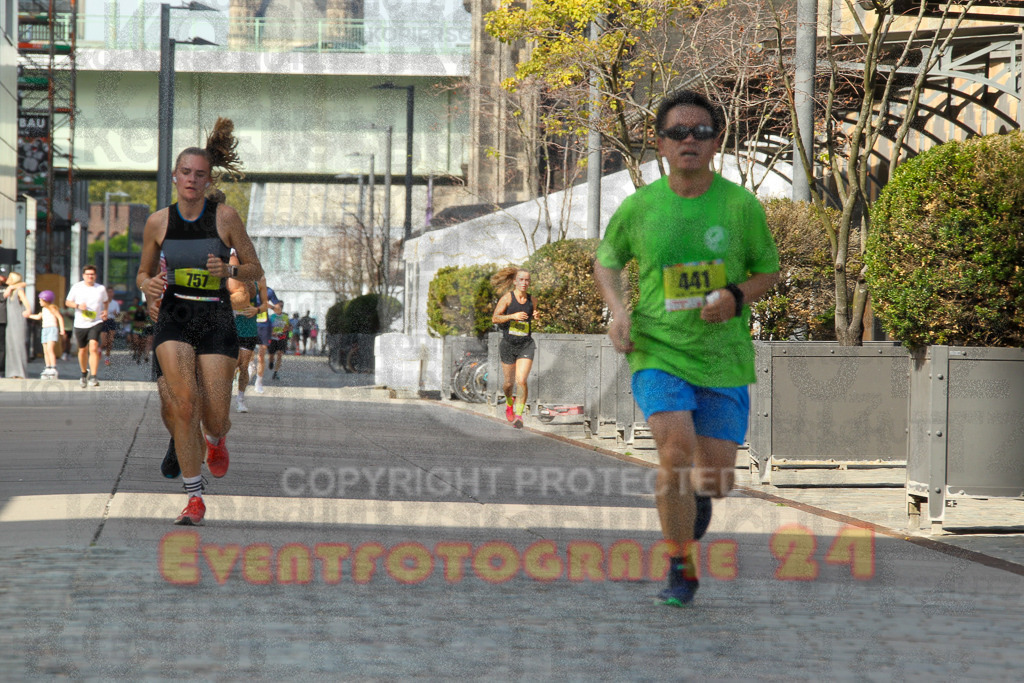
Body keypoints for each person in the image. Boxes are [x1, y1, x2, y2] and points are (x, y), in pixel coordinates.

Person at [594, 90, 780, 607]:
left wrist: (737, 295)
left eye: (700, 132)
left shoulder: (740, 207)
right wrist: (619, 310)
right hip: (658, 349)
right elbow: (607, 261)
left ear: (717, 143)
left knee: (716, 479)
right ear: (660, 145)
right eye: (678, 133)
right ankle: (680, 561)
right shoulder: (640, 207)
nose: (689, 141)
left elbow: (768, 270)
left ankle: (694, 502)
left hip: (722, 356)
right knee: (673, 451)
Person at [136, 117, 263, 526]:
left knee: (213, 414)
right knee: (182, 404)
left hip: (215, 317)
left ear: (209, 180)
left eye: (200, 174)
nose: (192, 180)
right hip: (174, 314)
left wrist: (227, 273)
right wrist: (149, 286)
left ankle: (217, 439)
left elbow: (254, 269)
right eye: (185, 172)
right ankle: (194, 498)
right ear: (175, 176)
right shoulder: (158, 222)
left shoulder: (225, 217)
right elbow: (142, 273)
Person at [491, 267, 540, 429]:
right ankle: (509, 403)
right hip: (508, 345)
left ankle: (519, 415)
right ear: (515, 282)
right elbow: (495, 318)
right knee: (508, 384)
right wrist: (513, 316)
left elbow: (535, 314)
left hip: (526, 344)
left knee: (521, 380)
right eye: (521, 280)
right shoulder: (507, 298)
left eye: (527, 280)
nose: (524, 283)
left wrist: (537, 316)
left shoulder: (533, 300)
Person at [227, 249, 266, 413]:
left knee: (244, 366)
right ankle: (223, 398)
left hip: (249, 326)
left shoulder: (260, 279)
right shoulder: (230, 275)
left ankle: (240, 400)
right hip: (232, 325)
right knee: (231, 365)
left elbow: (265, 304)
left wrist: (257, 310)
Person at [65, 264, 110, 387]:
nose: (90, 276)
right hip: (80, 322)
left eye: (92, 274)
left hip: (96, 321)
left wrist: (105, 311)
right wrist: (78, 306)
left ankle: (94, 376)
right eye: (88, 274)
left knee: (94, 347)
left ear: (95, 276)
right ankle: (84, 373)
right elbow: (67, 302)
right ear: (83, 276)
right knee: (82, 350)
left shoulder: (100, 288)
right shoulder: (77, 287)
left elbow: (106, 301)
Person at [24, 290, 66, 378]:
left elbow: (60, 318)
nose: (39, 302)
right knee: (45, 350)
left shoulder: (52, 308)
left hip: (52, 329)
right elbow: (38, 317)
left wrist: (62, 329)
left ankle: (53, 368)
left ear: (45, 300)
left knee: (50, 349)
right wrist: (29, 316)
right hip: (45, 329)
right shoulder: (43, 309)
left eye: (40, 300)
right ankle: (48, 367)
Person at [252, 281, 280, 393]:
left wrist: (270, 306)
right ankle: (251, 366)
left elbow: (278, 310)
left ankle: (259, 382)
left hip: (264, 325)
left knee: (261, 356)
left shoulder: (269, 291)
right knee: (247, 354)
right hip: (250, 324)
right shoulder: (248, 288)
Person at [3, 271, 31, 379]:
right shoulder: (9, 290)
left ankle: (20, 372)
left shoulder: (18, 291)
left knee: (18, 345)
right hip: (10, 321)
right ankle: (12, 372)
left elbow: (25, 302)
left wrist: (28, 310)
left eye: (10, 277)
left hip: (17, 320)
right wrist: (10, 288)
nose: (8, 279)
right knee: (10, 346)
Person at [268, 301, 291, 380]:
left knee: (279, 354)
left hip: (282, 338)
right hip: (273, 338)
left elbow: (288, 327)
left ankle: (276, 372)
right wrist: (272, 333)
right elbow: (268, 327)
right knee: (271, 355)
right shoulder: (272, 317)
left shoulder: (285, 317)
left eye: (279, 307)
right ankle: (271, 362)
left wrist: (285, 331)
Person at [101, 287, 121, 366]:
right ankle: (98, 351)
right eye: (108, 292)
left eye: (111, 292)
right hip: (103, 321)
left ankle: (107, 358)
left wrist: (116, 313)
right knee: (104, 341)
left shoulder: (115, 303)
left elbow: (118, 314)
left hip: (111, 321)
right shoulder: (102, 302)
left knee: (110, 341)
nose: (110, 294)